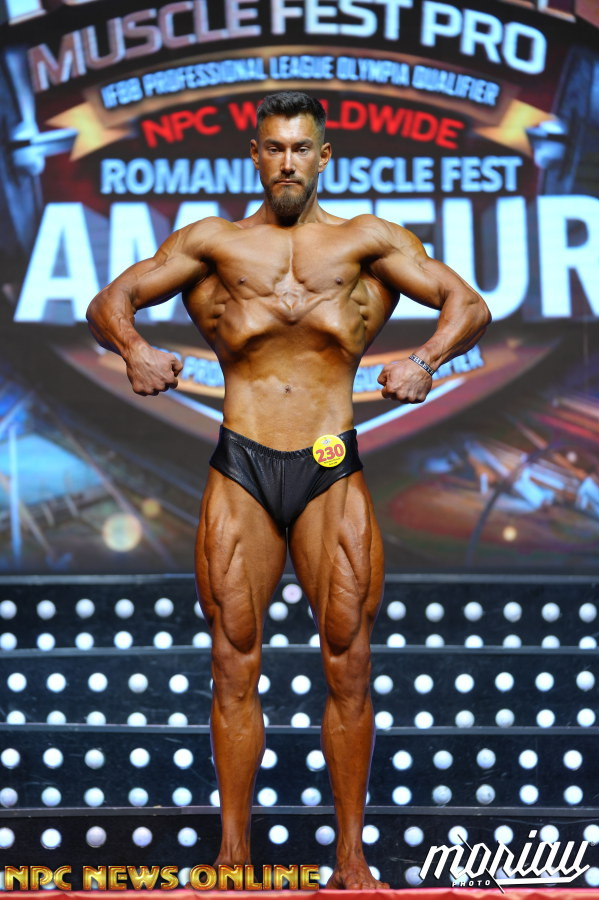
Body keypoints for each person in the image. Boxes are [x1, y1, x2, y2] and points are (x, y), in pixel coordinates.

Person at [87, 90, 491, 889]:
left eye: (301, 149)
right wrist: (133, 350)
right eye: (273, 148)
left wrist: (425, 361)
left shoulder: (367, 240)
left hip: (329, 460)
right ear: (255, 155)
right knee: (232, 661)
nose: (287, 163)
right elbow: (110, 303)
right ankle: (234, 857)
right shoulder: (213, 243)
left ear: (324, 156)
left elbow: (468, 304)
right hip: (242, 460)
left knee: (348, 660)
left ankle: (350, 860)